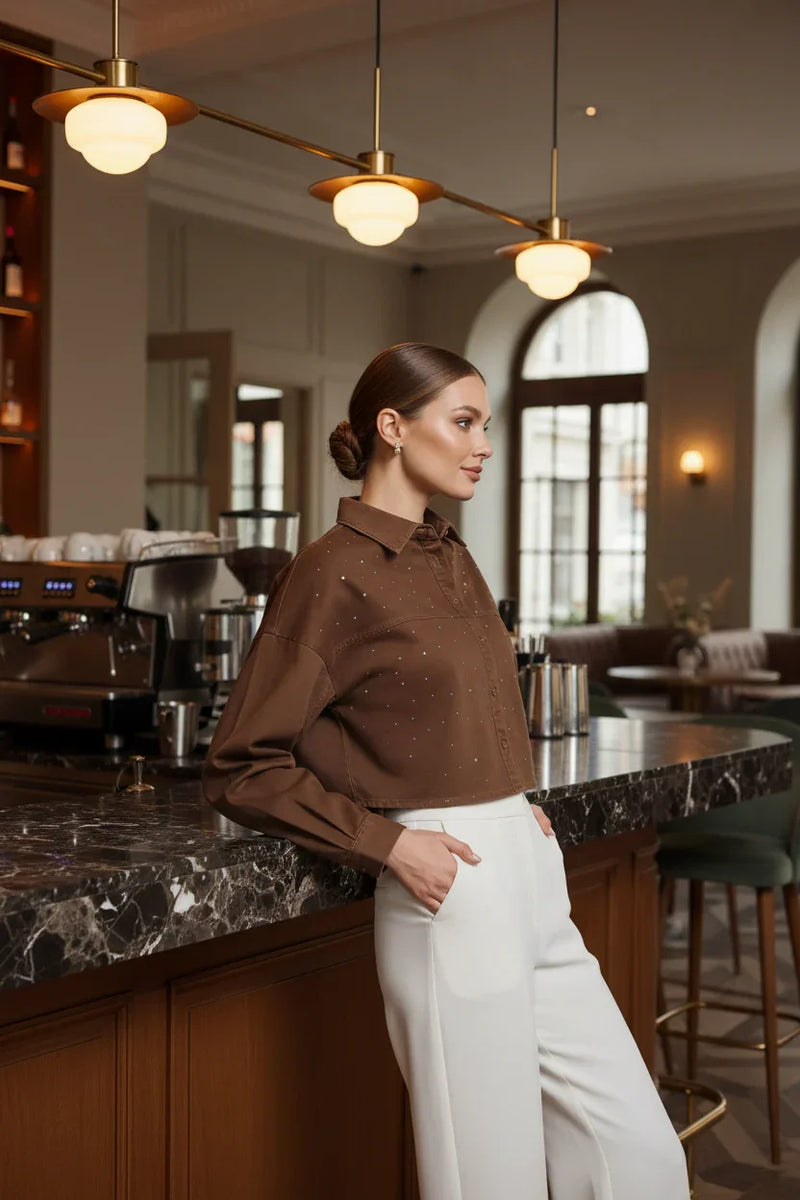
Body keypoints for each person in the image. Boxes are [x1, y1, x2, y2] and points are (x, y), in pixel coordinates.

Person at [202, 342, 689, 1200]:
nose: (484, 445)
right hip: (447, 888)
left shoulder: (450, 551)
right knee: (488, 1178)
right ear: (392, 427)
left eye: (485, 425)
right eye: (464, 423)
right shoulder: (331, 568)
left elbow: (448, 711)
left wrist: (511, 797)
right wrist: (387, 843)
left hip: (529, 874)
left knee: (640, 1154)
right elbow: (242, 763)